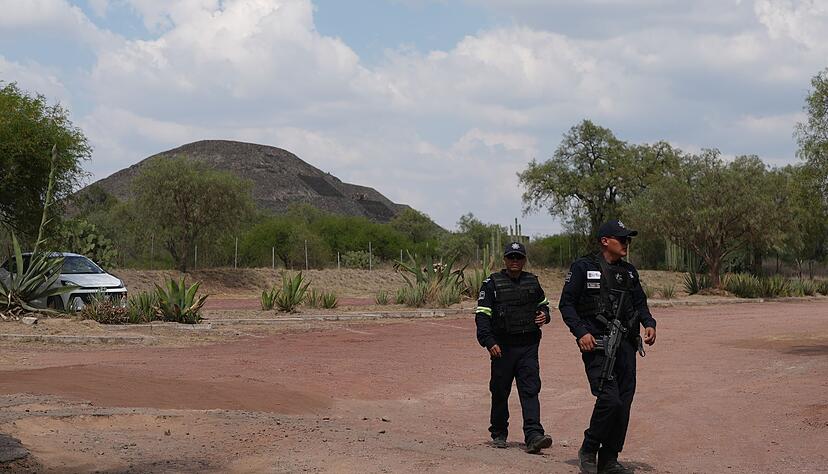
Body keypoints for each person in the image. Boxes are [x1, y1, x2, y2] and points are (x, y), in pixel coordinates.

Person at [559, 220, 657, 474]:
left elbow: (640, 302)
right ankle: (589, 448)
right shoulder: (583, 267)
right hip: (598, 346)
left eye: (628, 239)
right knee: (609, 400)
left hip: (626, 346)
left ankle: (610, 458)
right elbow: (566, 304)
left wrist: (649, 323)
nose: (626, 244)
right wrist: (581, 332)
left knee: (623, 404)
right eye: (622, 239)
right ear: (605, 241)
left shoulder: (629, 272)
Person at [475, 241, 554, 454]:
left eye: (519, 257)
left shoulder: (532, 282)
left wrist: (544, 315)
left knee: (530, 390)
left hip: (528, 346)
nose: (515, 261)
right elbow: (482, 316)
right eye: (511, 257)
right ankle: (499, 432)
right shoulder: (491, 283)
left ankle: (534, 435)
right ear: (505, 259)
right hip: (502, 348)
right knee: (500, 391)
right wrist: (489, 342)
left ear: (524, 260)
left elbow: (544, 305)